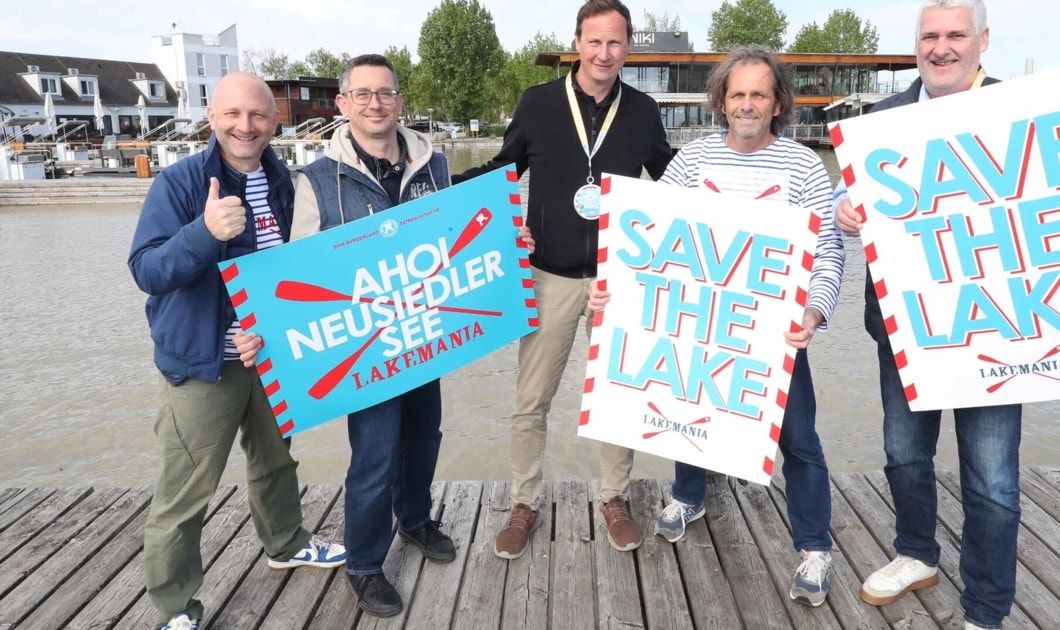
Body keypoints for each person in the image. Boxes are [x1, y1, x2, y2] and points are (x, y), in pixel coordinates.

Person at [832, 2, 1060, 628]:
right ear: (917, 43)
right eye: (930, 35)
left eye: (956, 34)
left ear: (983, 40)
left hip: (1000, 330)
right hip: (907, 331)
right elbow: (850, 199)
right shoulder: (881, 119)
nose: (942, 46)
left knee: (991, 478)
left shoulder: (1032, 113)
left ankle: (985, 606)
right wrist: (848, 211)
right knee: (903, 455)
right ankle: (917, 553)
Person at [588, 46, 845, 606]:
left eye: (759, 94)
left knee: (799, 440)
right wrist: (614, 287)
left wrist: (814, 312)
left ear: (777, 103)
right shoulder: (691, 162)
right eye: (737, 95)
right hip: (699, 323)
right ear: (721, 102)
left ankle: (814, 545)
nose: (747, 105)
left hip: (775, 334)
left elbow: (828, 252)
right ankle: (689, 493)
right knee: (688, 402)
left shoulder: (804, 167)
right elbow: (652, 238)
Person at [236, 53, 456, 618]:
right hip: (362, 345)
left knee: (425, 436)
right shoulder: (315, 178)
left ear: (400, 100)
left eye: (385, 93)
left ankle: (413, 520)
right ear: (343, 104)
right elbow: (295, 267)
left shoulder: (436, 166)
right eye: (363, 94)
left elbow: (454, 240)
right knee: (375, 453)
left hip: (423, 330)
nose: (375, 104)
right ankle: (363, 563)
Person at [455, 0, 673, 559]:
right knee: (532, 401)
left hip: (618, 280)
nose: (604, 53)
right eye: (594, 41)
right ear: (577, 42)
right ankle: (525, 501)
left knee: (618, 397)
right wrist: (438, 190)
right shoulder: (539, 104)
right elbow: (503, 170)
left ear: (629, 48)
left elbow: (675, 182)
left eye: (616, 43)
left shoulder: (644, 110)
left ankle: (614, 497)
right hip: (548, 274)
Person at [128, 72, 346, 630]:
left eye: (257, 115)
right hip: (204, 364)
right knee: (186, 489)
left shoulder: (288, 183)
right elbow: (147, 271)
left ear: (276, 121)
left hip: (273, 356)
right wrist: (203, 232)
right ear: (211, 116)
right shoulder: (178, 184)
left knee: (276, 461)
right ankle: (177, 606)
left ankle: (286, 542)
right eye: (232, 114)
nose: (245, 126)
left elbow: (300, 272)